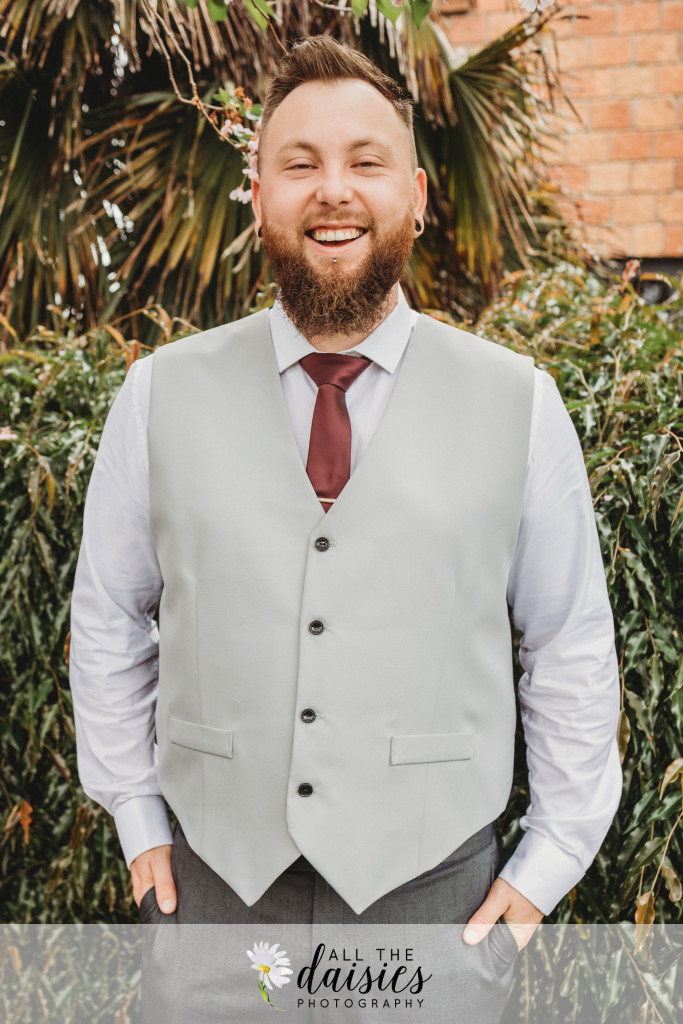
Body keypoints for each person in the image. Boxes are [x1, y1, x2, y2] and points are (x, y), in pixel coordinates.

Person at [69, 33, 621, 1019]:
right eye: (299, 164)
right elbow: (110, 616)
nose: (333, 191)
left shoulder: (520, 405)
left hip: (434, 904)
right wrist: (136, 811)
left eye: (365, 162)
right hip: (214, 899)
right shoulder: (156, 397)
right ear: (257, 196)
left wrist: (547, 863)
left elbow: (567, 638)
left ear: (415, 193)